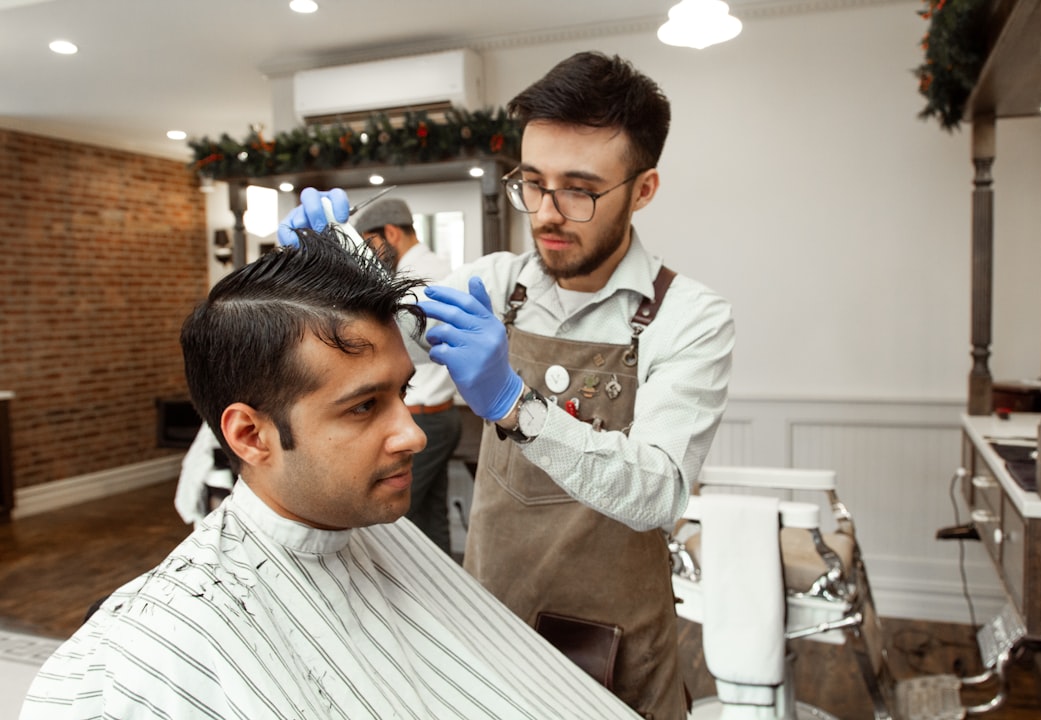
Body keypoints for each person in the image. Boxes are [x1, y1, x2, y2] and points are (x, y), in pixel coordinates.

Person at [20, 225, 642, 720]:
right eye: (364, 406)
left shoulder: (375, 529)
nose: (413, 433)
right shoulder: (143, 654)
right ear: (249, 434)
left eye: (402, 393)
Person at [280, 51, 735, 720]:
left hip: (613, 642)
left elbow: (660, 491)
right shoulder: (495, 284)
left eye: (579, 189)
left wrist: (517, 408)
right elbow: (386, 327)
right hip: (490, 619)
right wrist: (332, 259)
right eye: (533, 182)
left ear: (642, 190)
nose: (546, 213)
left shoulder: (689, 317)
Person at [353, 198, 461, 555]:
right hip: (438, 415)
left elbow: (390, 348)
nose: (369, 255)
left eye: (370, 244)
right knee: (432, 520)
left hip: (424, 417)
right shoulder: (434, 266)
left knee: (394, 528)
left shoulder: (420, 279)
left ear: (392, 233)